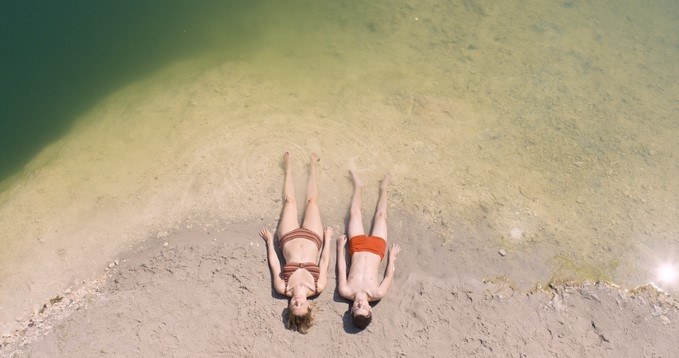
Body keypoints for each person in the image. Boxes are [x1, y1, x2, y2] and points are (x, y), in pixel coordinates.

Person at [259, 152, 333, 334]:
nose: (297, 302)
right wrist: (328, 240)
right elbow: (324, 262)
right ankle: (313, 167)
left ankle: (288, 167)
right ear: (309, 307)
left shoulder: (282, 287)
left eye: (294, 306)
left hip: (288, 236)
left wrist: (269, 242)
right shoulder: (317, 286)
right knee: (312, 201)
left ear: (289, 307)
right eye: (301, 305)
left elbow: (275, 264)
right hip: (313, 237)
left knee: (290, 201)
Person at [336, 170, 402, 330]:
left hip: (357, 247)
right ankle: (383, 188)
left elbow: (342, 268)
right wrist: (392, 257)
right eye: (364, 308)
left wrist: (339, 248)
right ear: (370, 308)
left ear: (351, 310)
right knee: (380, 216)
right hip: (376, 248)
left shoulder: (345, 291)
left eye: (357, 308)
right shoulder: (377, 293)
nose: (360, 305)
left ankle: (358, 186)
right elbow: (388, 276)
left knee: (354, 213)